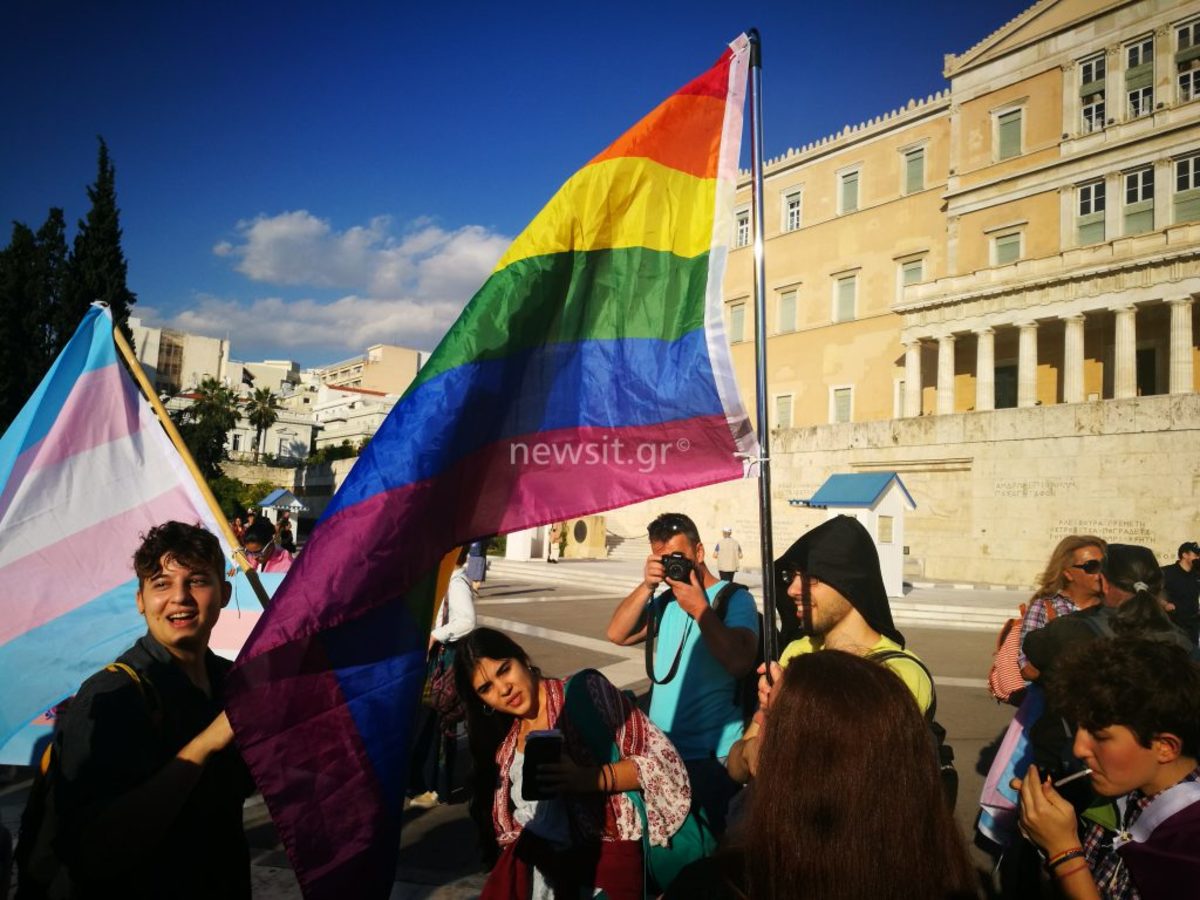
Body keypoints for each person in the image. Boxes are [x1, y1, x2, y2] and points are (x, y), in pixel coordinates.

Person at [27, 521, 254, 897]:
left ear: (225, 592)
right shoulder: (113, 695)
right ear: (140, 600)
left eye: (197, 580)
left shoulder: (232, 681)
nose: (179, 597)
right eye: (162, 584)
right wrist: (206, 744)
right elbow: (94, 853)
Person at [666, 651, 978, 900]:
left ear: (803, 770)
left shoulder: (721, 884)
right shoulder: (944, 879)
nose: (760, 736)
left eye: (770, 725)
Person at [454, 627, 690, 899]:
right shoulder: (504, 751)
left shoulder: (585, 693)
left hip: (606, 874)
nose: (503, 689)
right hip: (545, 884)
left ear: (522, 659)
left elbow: (663, 763)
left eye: (504, 670)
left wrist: (586, 778)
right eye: (486, 688)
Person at [728, 514, 932, 784]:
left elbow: (857, 780)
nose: (791, 589)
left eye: (811, 577)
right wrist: (754, 747)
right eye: (792, 576)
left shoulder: (898, 673)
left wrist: (793, 716)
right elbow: (736, 765)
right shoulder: (797, 653)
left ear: (848, 580)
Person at [605, 512, 758, 834]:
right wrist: (647, 585)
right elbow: (617, 634)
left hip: (712, 758)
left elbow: (740, 662)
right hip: (662, 754)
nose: (673, 566)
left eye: (679, 557)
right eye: (663, 560)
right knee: (668, 854)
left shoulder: (734, 599)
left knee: (709, 856)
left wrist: (700, 609)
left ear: (699, 553)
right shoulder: (667, 601)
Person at [1015, 638, 1200, 899]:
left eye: (1100, 736)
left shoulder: (1189, 842)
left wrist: (1063, 852)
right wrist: (1044, 830)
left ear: (1165, 747)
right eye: (1077, 727)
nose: (1079, 748)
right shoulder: (1122, 793)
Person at [408, 546, 478, 810]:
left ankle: (433, 787)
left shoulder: (456, 580)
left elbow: (467, 622)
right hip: (431, 666)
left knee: (435, 723)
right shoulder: (442, 579)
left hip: (441, 668)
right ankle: (425, 783)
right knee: (427, 723)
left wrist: (436, 635)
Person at [1018, 535, 1107, 679]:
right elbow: (1027, 668)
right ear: (1068, 573)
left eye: (1104, 565)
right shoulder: (1044, 607)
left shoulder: (1112, 607)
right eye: (1092, 567)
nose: (1100, 573)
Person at [1162, 540, 1200, 647]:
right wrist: (1165, 604)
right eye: (1196, 555)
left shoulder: (1197, 574)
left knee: (1193, 657)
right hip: (1173, 623)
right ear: (1184, 555)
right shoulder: (1167, 572)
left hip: (1193, 624)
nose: (1198, 558)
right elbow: (1152, 591)